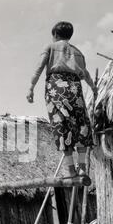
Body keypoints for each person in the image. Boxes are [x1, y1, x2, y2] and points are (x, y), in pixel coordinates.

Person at [27, 21, 97, 178]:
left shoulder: (50, 47)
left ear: (55, 35)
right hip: (74, 89)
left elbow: (39, 68)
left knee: (62, 125)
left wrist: (31, 87)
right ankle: (82, 168)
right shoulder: (78, 52)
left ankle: (71, 169)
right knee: (80, 124)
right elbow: (85, 74)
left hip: (57, 88)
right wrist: (93, 88)